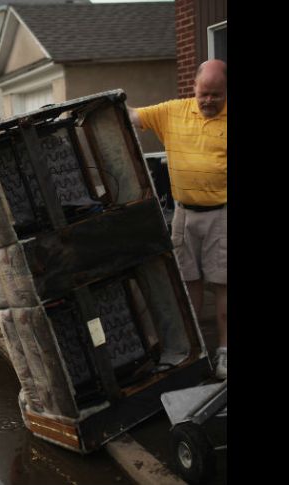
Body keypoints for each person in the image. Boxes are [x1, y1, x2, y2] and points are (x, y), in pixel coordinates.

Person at [128, 59, 227, 380]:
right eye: (204, 94)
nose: (209, 100)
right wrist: (108, 100)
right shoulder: (173, 111)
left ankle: (225, 352)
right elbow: (130, 117)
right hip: (184, 214)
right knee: (188, 283)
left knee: (223, 286)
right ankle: (194, 349)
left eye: (217, 94)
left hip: (221, 215)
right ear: (193, 89)